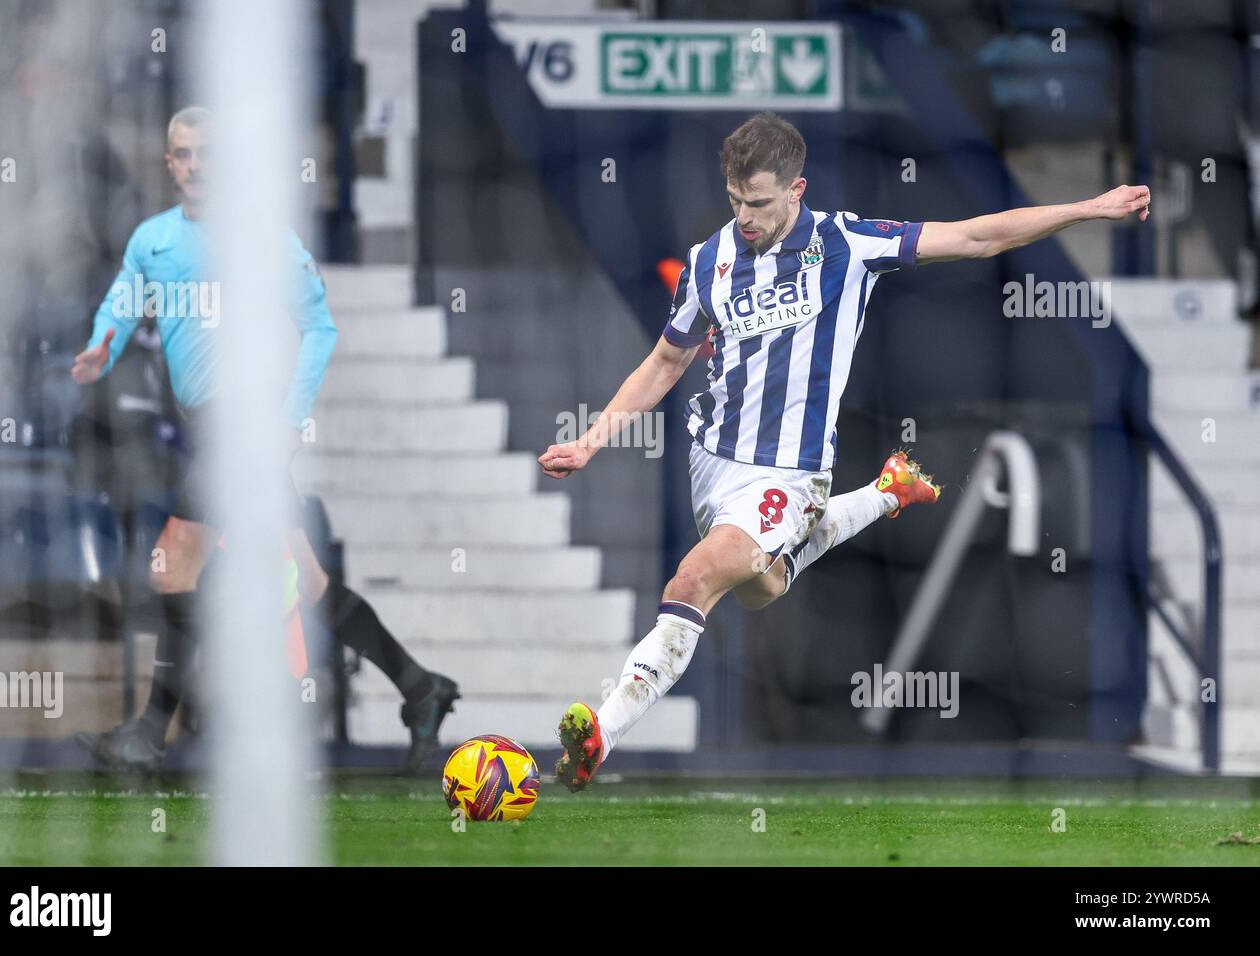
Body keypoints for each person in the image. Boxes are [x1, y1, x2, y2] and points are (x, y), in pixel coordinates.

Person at [538, 112, 1151, 791]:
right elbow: (663, 362)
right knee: (761, 587)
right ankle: (885, 492)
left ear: (797, 189)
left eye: (761, 203)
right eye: (736, 200)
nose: (745, 216)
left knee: (693, 582)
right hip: (712, 463)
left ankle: (601, 732)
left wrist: (1090, 208)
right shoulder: (708, 261)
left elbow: (976, 238)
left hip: (789, 472)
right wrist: (592, 440)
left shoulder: (846, 242)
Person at [71, 106, 458, 774]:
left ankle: (147, 735)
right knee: (306, 581)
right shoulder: (153, 241)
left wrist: (287, 419)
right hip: (211, 429)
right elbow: (119, 308)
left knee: (174, 561)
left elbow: (321, 329)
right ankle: (421, 689)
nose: (196, 165)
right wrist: (97, 352)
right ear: (170, 165)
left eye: (209, 153)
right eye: (184, 155)